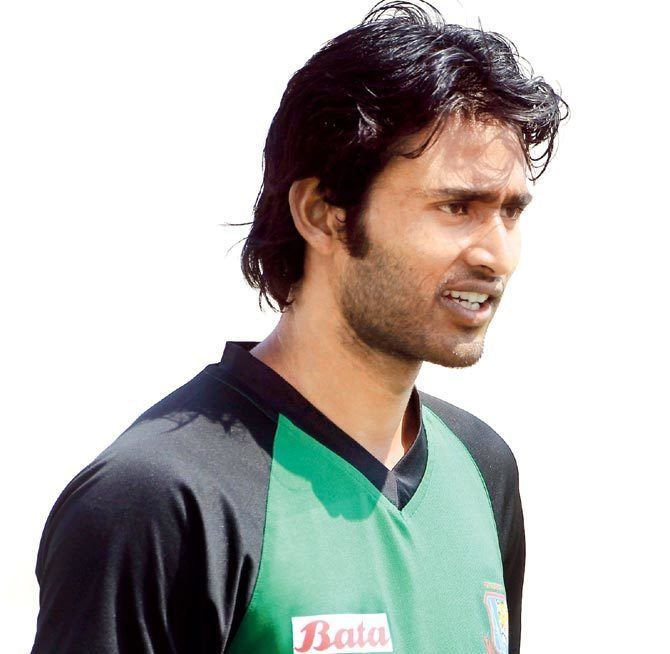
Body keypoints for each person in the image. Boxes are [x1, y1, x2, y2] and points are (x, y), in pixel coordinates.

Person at [30, 1, 569, 652]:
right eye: (457, 206)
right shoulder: (156, 502)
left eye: (511, 212)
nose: (497, 255)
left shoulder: (483, 470)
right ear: (322, 213)